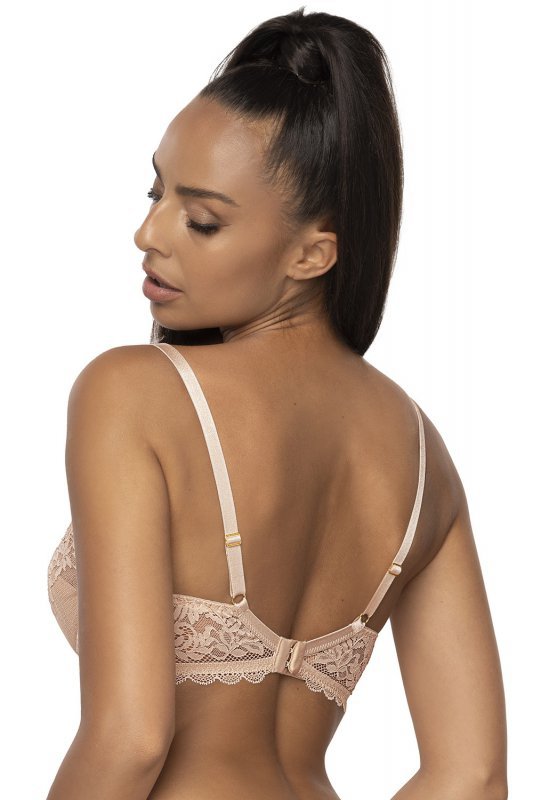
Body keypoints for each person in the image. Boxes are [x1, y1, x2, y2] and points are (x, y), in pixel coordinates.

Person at [46, 7, 507, 800]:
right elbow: (471, 775)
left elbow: (130, 737)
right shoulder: (420, 452)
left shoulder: (131, 393)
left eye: (202, 220)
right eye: (156, 191)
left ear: (313, 252)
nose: (149, 232)